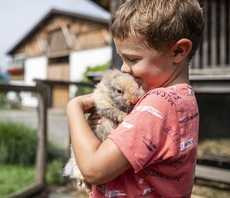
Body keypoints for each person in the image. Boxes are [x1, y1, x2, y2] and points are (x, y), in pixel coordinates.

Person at [66, 0, 204, 197]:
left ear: (178, 51)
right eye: (122, 58)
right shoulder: (182, 99)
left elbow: (93, 170)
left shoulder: (158, 105)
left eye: (133, 59)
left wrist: (74, 107)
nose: (123, 68)